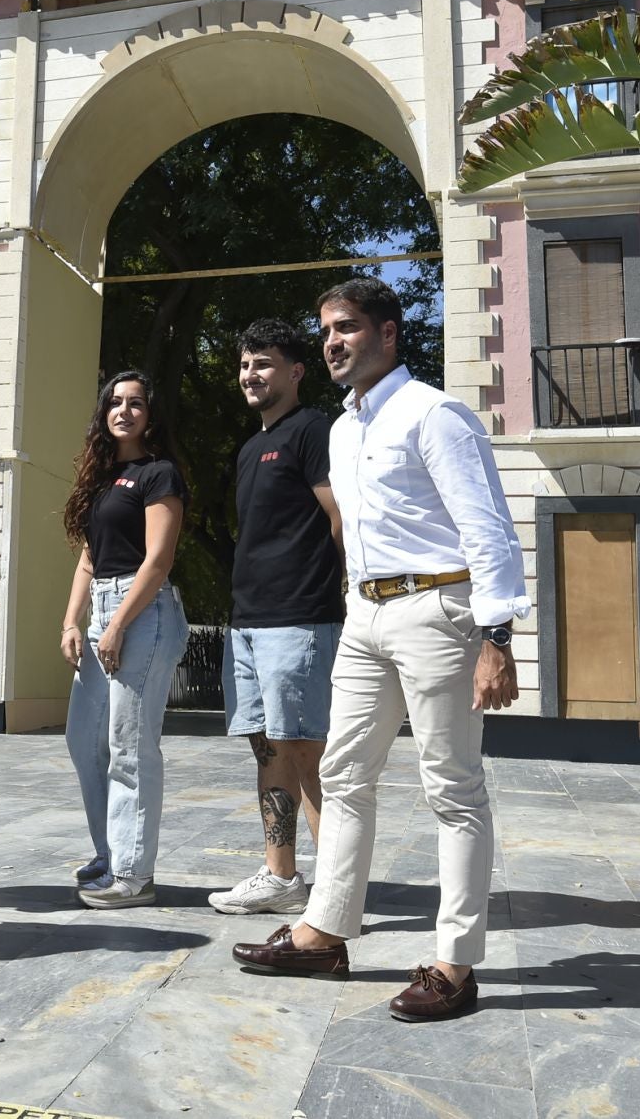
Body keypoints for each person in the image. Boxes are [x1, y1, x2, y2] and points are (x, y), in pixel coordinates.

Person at [234, 276, 528, 1023]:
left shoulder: (435, 414)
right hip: (364, 614)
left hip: (438, 610)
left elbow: (488, 529)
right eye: (326, 330)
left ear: (388, 332)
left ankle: (454, 964)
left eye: (348, 327)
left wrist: (496, 637)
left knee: (452, 787)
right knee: (342, 772)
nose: (333, 341)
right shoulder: (342, 429)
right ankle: (324, 932)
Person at [209, 319, 343, 916]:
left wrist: (345, 590)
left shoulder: (313, 429)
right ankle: (282, 877)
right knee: (267, 750)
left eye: (263, 363)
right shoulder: (248, 448)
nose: (250, 374)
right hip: (248, 623)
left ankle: (338, 890)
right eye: (244, 365)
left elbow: (340, 518)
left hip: (299, 619)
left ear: (296, 371)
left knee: (307, 753)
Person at [59, 370, 191, 908]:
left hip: (143, 612)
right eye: (115, 402)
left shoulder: (159, 474)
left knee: (129, 747)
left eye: (136, 403)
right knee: (83, 739)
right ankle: (110, 853)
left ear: (150, 415)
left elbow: (158, 560)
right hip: (102, 611)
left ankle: (134, 875)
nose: (124, 411)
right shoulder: (102, 478)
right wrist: (72, 621)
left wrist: (116, 626)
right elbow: (89, 559)